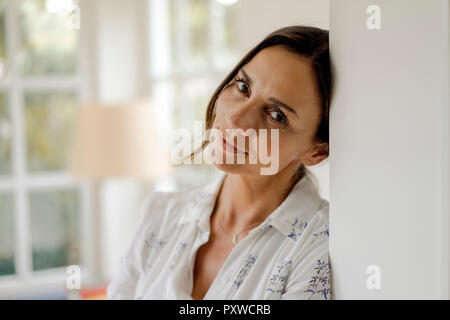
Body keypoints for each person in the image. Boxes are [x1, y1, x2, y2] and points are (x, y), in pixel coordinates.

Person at [107, 25, 332, 300]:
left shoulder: (321, 247)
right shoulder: (160, 216)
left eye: (276, 115)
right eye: (242, 87)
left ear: (317, 151)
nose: (236, 119)